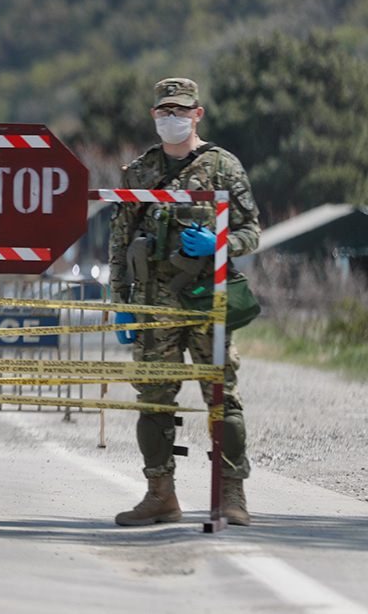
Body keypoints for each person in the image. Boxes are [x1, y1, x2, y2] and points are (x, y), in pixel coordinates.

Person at [109, 78, 260, 526]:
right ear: (154, 115)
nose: (171, 119)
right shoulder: (138, 172)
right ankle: (160, 495)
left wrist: (216, 243)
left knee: (221, 398)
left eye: (180, 111)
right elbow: (119, 242)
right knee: (154, 399)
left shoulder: (223, 167)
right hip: (155, 307)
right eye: (163, 112)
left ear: (198, 114)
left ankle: (232, 496)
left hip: (206, 302)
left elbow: (251, 232)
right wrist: (120, 302)